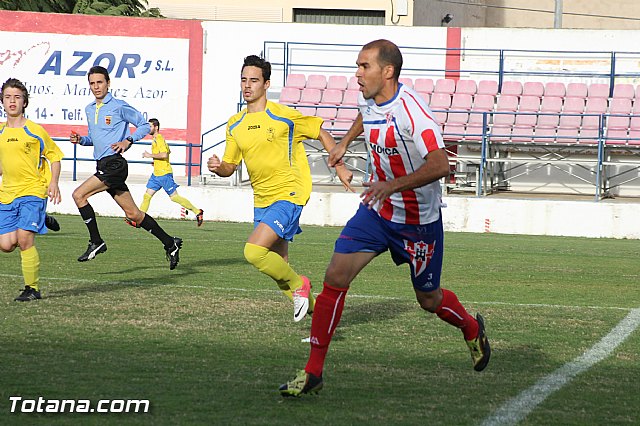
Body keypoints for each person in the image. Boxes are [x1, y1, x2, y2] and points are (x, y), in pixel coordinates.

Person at [279, 40, 491, 396]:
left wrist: (393, 184)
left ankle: (471, 328)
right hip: (376, 212)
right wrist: (345, 142)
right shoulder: (369, 97)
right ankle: (313, 371)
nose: (357, 74)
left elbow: (441, 164)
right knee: (334, 276)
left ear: (387, 72)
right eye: (358, 66)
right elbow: (367, 115)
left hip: (418, 223)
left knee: (429, 299)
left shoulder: (414, 112)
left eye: (364, 67)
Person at [208, 55, 353, 322]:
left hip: (289, 193)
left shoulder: (283, 116)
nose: (247, 85)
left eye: (254, 80)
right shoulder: (235, 124)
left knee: (253, 252)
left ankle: (301, 286)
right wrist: (219, 167)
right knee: (279, 267)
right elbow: (231, 165)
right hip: (261, 199)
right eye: (244, 80)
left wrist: (339, 164)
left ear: (266, 84)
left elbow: (319, 130)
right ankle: (321, 315)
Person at [70, 66, 182, 270]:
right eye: (92, 83)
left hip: (115, 164)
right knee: (134, 215)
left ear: (108, 83)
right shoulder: (89, 109)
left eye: (100, 82)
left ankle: (96, 241)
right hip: (104, 163)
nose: (96, 87)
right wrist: (81, 140)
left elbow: (145, 126)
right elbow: (96, 140)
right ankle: (170, 243)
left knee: (79, 195)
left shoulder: (119, 106)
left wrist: (128, 140)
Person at [0, 77, 63, 301]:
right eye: (8, 97)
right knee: (6, 245)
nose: (12, 101)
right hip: (7, 194)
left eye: (17, 97)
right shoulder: (0, 132)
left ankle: (32, 288)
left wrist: (53, 182)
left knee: (25, 239)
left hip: (33, 191)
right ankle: (42, 218)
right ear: (2, 102)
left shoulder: (35, 131)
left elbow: (54, 156)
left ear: (24, 102)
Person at [125, 118, 204, 228]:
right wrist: (156, 162)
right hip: (156, 174)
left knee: (174, 197)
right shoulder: (157, 139)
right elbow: (168, 151)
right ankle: (138, 221)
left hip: (164, 174)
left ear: (156, 127)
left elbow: (165, 155)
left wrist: (150, 156)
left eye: (150, 126)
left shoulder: (159, 138)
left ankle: (197, 212)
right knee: (147, 196)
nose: (148, 129)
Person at [0, 160, 59, 232]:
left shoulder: (37, 150)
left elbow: (54, 157)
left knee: (24, 235)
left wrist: (54, 182)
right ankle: (40, 216)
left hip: (34, 185)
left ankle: (40, 216)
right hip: (12, 185)